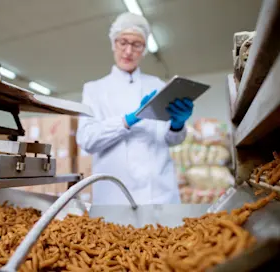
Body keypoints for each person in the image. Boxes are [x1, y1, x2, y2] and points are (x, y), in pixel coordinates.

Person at [76, 12, 194, 205]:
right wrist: (127, 120)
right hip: (114, 197)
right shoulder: (94, 90)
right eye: (123, 42)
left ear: (144, 49)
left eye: (136, 44)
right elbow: (87, 140)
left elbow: (171, 140)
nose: (128, 51)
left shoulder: (156, 85)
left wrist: (177, 125)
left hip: (159, 194)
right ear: (113, 44)